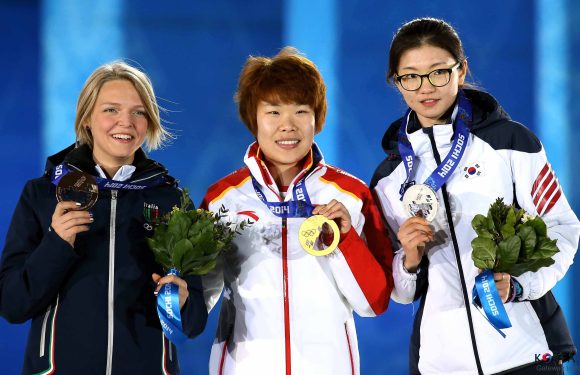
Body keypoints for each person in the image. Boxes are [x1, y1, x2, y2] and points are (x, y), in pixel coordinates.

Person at [372, 17, 580, 375]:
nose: (426, 87)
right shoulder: (389, 177)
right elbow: (403, 292)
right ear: (397, 82)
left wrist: (519, 285)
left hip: (523, 352)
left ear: (461, 70)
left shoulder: (510, 143)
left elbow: (561, 227)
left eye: (439, 72)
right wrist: (407, 260)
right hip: (442, 363)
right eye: (410, 76)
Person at [0, 61, 207, 374]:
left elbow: (194, 324)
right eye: (111, 109)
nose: (126, 122)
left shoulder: (171, 200)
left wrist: (181, 302)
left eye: (139, 112)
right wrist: (57, 243)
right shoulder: (43, 194)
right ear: (86, 119)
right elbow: (13, 305)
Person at [200, 47, 394, 375]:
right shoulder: (223, 199)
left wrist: (346, 240)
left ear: (316, 118)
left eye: (301, 111)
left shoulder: (351, 195)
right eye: (273, 112)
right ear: (253, 118)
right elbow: (197, 300)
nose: (288, 126)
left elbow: (373, 302)